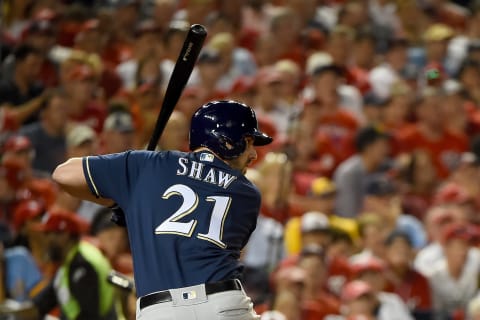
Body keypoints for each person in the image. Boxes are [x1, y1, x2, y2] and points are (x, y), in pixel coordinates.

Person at [52, 100, 273, 319]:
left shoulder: (149, 165)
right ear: (227, 142)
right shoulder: (247, 193)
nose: (253, 154)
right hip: (223, 304)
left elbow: (63, 175)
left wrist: (121, 199)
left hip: (161, 310)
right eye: (249, 141)